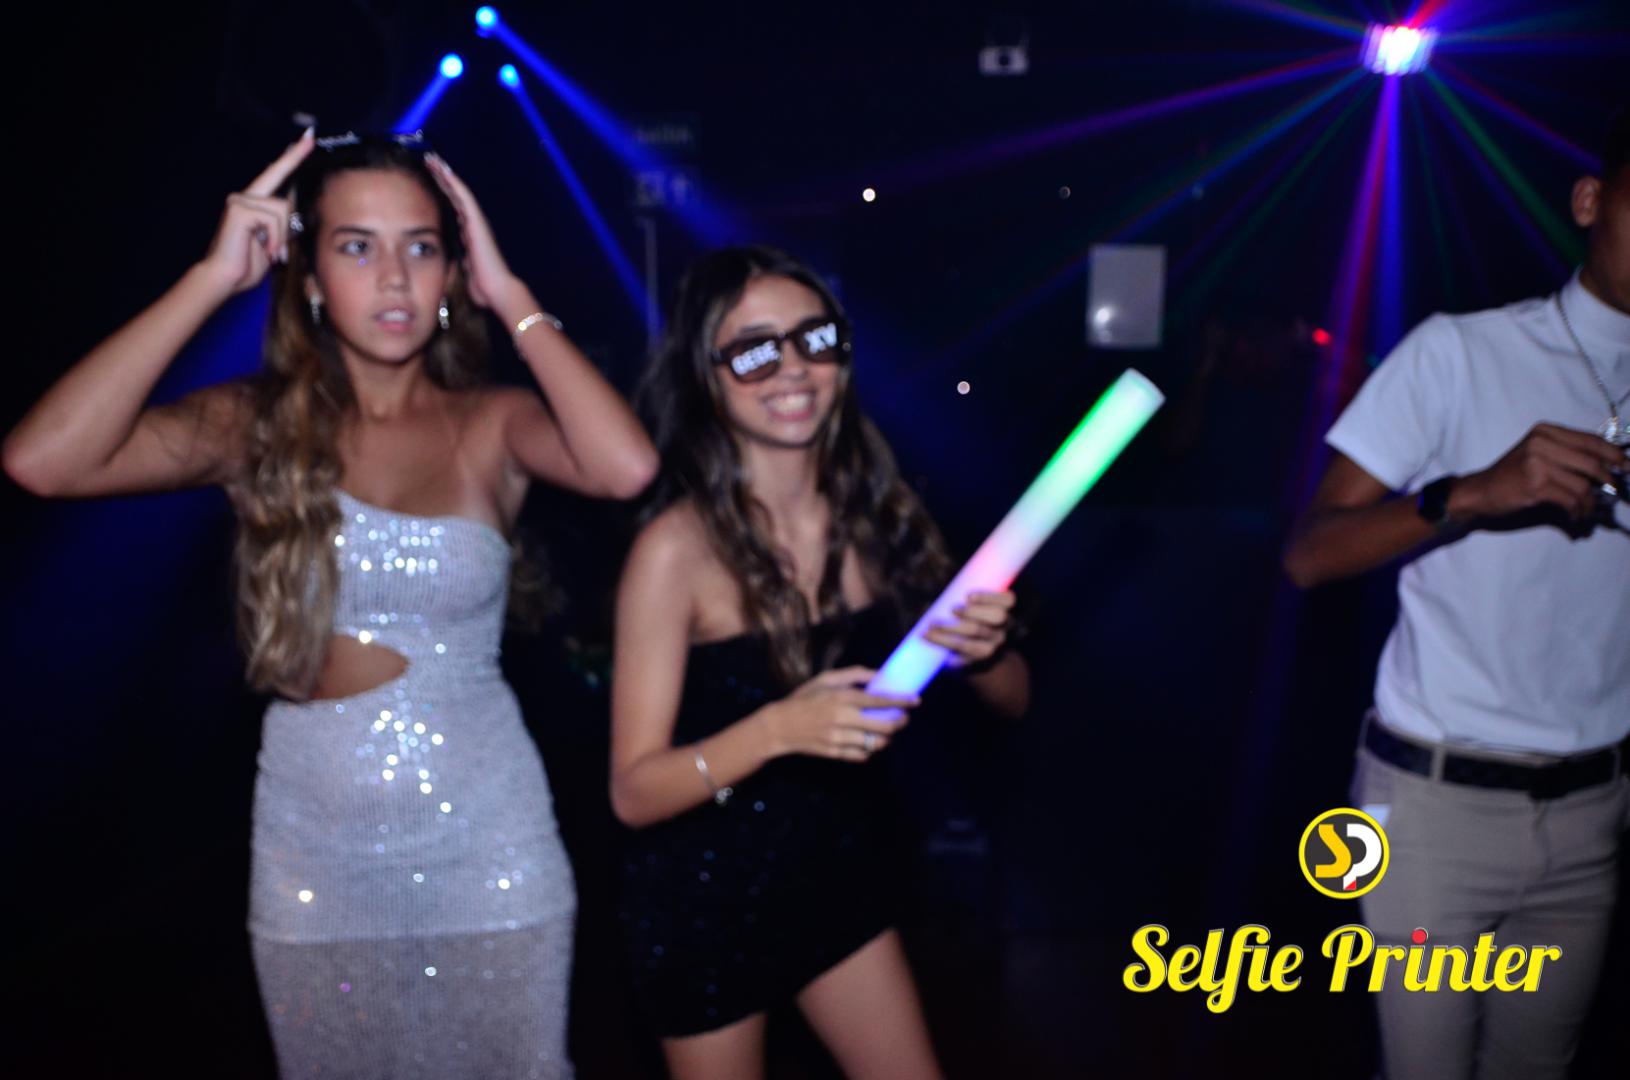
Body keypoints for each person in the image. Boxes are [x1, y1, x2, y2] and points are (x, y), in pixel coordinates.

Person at [2, 130, 658, 1078]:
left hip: (489, 843)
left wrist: (511, 294)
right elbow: (44, 461)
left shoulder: (492, 421)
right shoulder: (255, 423)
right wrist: (208, 281)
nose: (394, 277)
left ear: (452, 271)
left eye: (420, 247)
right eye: (357, 246)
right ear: (308, 278)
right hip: (314, 855)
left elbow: (626, 466)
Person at [608, 246, 1029, 1079]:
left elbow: (1015, 701)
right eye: (754, 350)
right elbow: (633, 792)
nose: (793, 366)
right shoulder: (675, 551)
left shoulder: (882, 518)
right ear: (707, 376)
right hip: (703, 899)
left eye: (815, 338)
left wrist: (986, 653)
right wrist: (778, 730)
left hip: (840, 876)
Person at [1283, 108, 1629, 1080]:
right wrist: (1473, 493)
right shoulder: (1460, 353)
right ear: (1590, 201)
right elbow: (1308, 552)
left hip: (1593, 810)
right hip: (1434, 808)